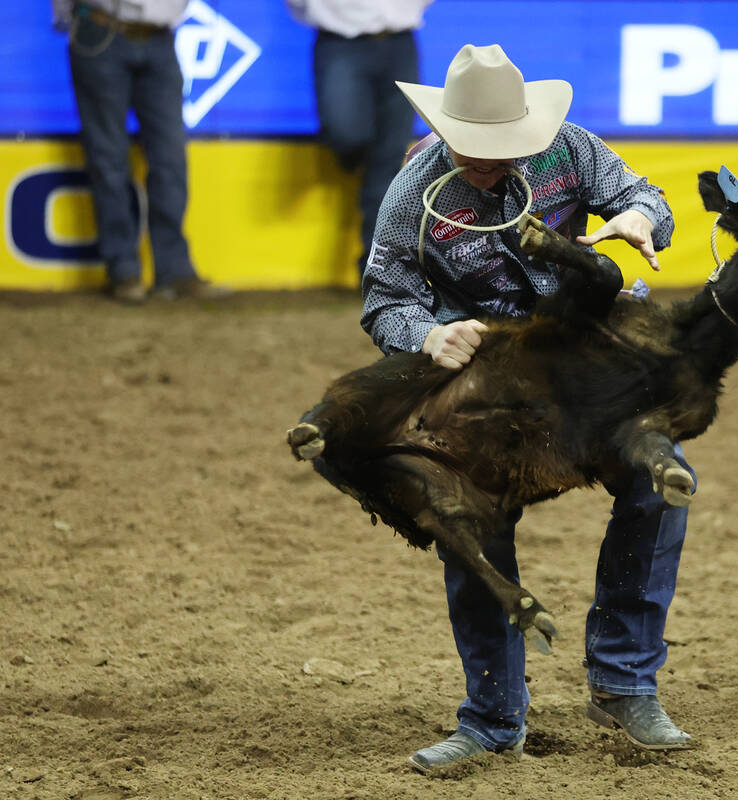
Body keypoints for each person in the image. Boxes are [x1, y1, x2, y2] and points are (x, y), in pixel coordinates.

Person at [362, 44, 693, 773]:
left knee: (660, 479)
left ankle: (623, 682)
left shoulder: (571, 151)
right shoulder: (413, 190)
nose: (492, 162)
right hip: (485, 386)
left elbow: (651, 201)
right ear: (446, 134)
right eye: (477, 150)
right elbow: (385, 300)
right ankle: (492, 716)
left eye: (504, 148)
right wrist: (429, 334)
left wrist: (639, 217)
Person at [51, 0, 228, 304]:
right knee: (108, 159)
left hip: (160, 36)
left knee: (170, 158)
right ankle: (123, 270)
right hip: (101, 28)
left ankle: (174, 271)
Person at [285, 0, 431, 275]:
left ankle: (376, 267)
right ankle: (351, 159)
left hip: (401, 40)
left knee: (389, 161)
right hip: (339, 40)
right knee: (347, 134)